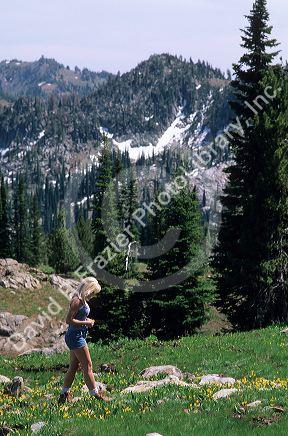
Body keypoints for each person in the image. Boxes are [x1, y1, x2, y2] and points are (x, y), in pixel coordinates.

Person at [58, 277, 111, 403]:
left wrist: (86, 320)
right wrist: (85, 323)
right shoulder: (77, 301)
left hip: (77, 335)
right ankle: (96, 395)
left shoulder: (82, 300)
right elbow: (69, 320)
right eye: (92, 292)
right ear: (88, 289)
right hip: (75, 336)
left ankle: (63, 394)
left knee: (73, 366)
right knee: (88, 365)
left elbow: (78, 316)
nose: (93, 295)